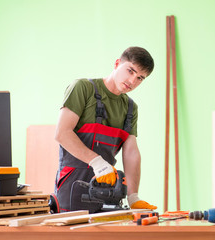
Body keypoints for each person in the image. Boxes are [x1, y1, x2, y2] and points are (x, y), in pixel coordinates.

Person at [54, 46, 157, 213]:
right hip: (71, 187)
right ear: (117, 63)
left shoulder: (130, 108)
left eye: (140, 78)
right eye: (130, 71)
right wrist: (97, 162)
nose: (132, 81)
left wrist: (133, 196)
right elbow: (62, 133)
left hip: (106, 189)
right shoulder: (83, 88)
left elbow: (131, 153)